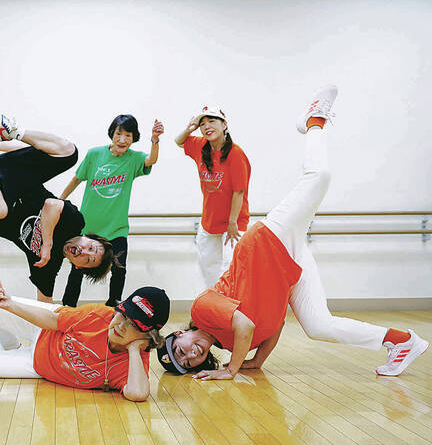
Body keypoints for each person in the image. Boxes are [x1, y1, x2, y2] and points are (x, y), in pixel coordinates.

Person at [157, 86, 429, 380]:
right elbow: (273, 328)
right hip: (287, 269)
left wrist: (233, 369)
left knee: (319, 177)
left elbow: (247, 325)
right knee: (318, 325)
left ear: (180, 332)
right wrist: (257, 360)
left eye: (180, 348)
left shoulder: (202, 310)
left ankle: (315, 121)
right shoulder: (227, 342)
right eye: (187, 362)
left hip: (267, 242)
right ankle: (401, 341)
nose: (190, 353)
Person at [0, 109, 116, 302]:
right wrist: (47, 245)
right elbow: (51, 205)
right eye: (91, 248)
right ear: (89, 237)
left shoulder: (47, 267)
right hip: (15, 176)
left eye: (88, 259)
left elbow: (44, 305)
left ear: (78, 266)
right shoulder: (75, 223)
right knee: (70, 153)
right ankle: (13, 131)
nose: (84, 252)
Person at [0, 282, 169, 402]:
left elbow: (137, 393)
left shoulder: (133, 363)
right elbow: (52, 320)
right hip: (45, 328)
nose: (120, 326)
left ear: (149, 335)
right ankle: (11, 347)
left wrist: (134, 349)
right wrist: (10, 305)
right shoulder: (100, 315)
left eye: (133, 325)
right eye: (122, 315)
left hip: (38, 365)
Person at [60, 115, 163, 307]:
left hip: (117, 228)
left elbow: (152, 160)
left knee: (119, 268)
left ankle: (113, 307)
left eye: (128, 135)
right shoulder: (94, 154)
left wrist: (155, 139)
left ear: (134, 138)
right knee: (77, 269)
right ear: (112, 134)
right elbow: (76, 179)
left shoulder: (134, 159)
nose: (123, 140)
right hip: (89, 227)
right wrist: (60, 200)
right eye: (119, 134)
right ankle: (67, 308)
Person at [175, 106, 251, 288]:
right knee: (207, 268)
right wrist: (189, 128)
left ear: (224, 125)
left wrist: (232, 222)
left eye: (212, 121)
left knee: (230, 268)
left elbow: (239, 191)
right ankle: (209, 308)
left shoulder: (235, 153)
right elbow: (178, 141)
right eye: (202, 123)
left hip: (234, 222)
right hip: (209, 221)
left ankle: (230, 310)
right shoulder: (201, 146)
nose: (207, 126)